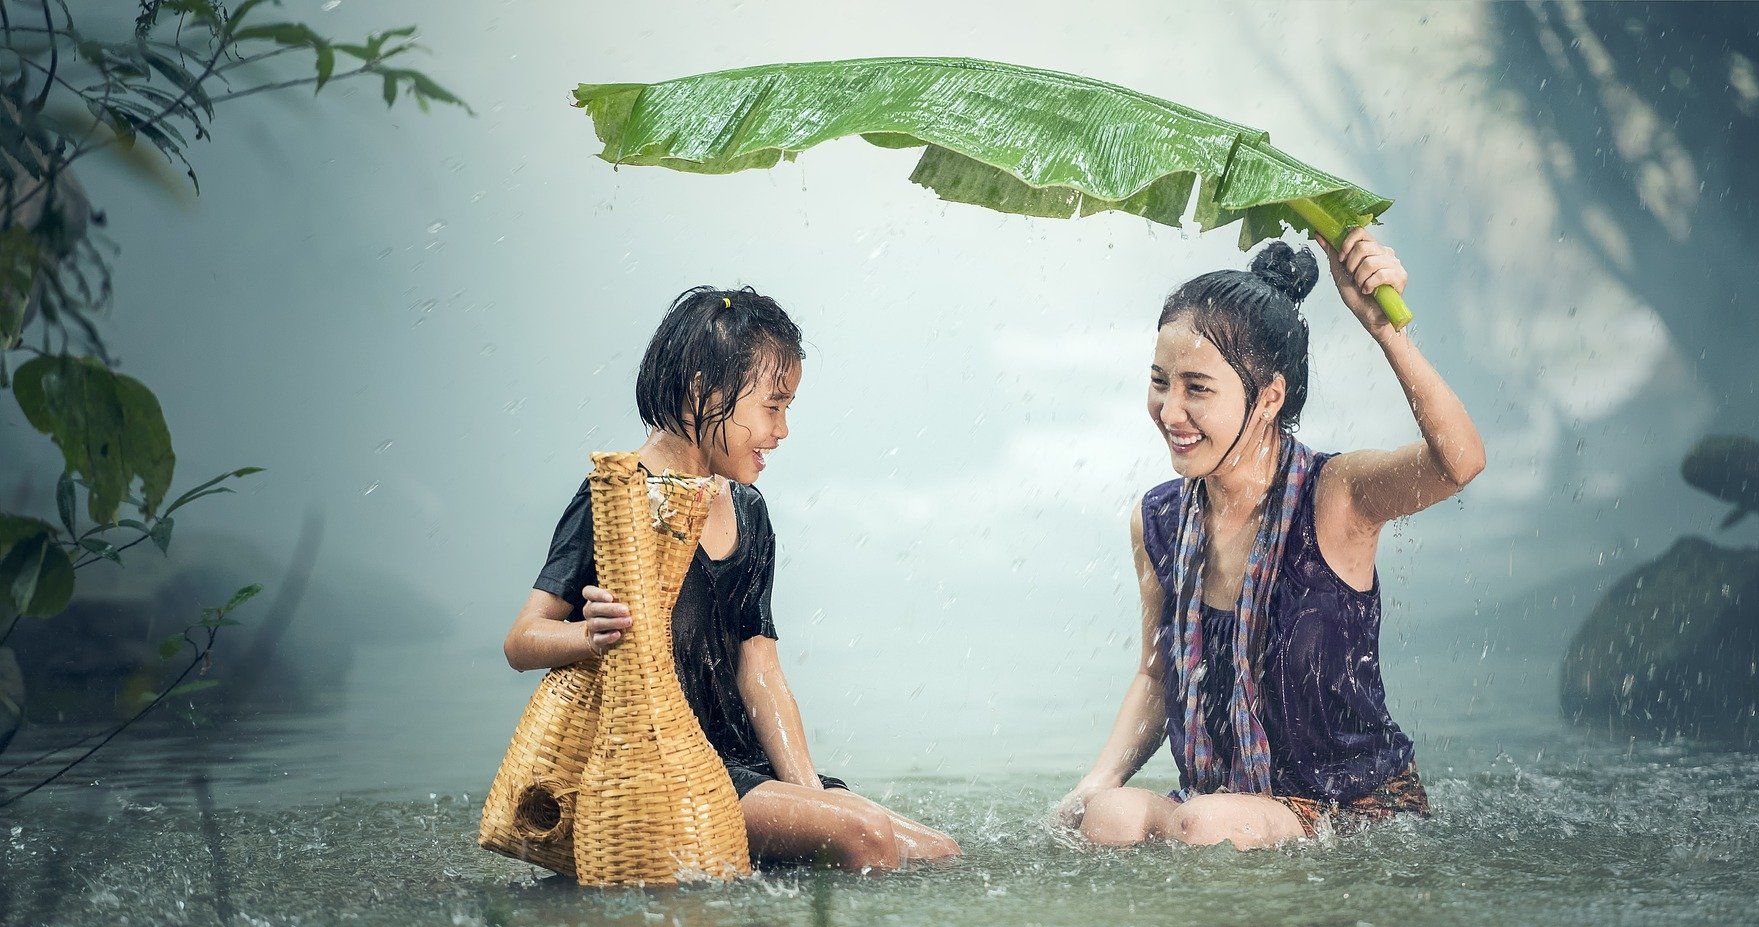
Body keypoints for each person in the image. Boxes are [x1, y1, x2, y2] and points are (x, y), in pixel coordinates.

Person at [505, 286, 960, 872]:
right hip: (673, 771)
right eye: (773, 407)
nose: (784, 430)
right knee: (866, 838)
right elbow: (522, 640)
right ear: (704, 390)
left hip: (746, 763)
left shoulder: (747, 509)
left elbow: (761, 670)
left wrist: (810, 795)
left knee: (937, 852)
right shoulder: (619, 500)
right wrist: (587, 637)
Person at [1054, 229, 1484, 848]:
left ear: (1269, 397)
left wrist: (1384, 327)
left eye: (1196, 388)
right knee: (1106, 818)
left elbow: (1459, 461)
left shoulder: (1336, 498)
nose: (1169, 411)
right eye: (1159, 381)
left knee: (1204, 824)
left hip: (1353, 807)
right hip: (1219, 805)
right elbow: (1156, 674)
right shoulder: (1160, 520)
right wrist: (1094, 782)